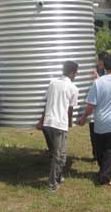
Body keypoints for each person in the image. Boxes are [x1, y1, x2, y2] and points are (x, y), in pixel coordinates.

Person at [78, 54, 111, 186]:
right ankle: (104, 173)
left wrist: (83, 118)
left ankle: (103, 174)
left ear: (103, 66)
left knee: (100, 148)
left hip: (101, 121)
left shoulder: (97, 83)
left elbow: (91, 105)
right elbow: (110, 84)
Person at [36, 61, 79, 192]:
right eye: (76, 73)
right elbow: (70, 110)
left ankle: (58, 177)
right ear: (72, 73)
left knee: (56, 152)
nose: (76, 75)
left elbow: (46, 102)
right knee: (61, 156)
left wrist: (42, 120)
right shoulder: (73, 88)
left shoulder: (53, 83)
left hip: (48, 123)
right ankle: (52, 184)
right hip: (60, 124)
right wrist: (69, 123)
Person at [88, 51, 108, 160]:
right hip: (94, 104)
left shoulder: (108, 70)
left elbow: (107, 83)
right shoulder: (95, 67)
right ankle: (96, 154)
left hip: (104, 105)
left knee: (103, 132)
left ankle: (103, 153)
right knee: (93, 131)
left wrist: (98, 77)